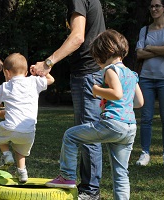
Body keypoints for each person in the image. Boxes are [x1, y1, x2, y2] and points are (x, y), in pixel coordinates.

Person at [45, 29, 144, 200]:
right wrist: (121, 104)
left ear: (103, 53)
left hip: (112, 124)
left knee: (70, 135)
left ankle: (67, 176)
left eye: (96, 58)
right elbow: (139, 102)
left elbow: (117, 93)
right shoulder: (131, 73)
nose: (97, 63)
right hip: (129, 128)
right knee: (121, 174)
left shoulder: (111, 70)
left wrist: (97, 90)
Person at [30, 0, 106, 198]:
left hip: (88, 72)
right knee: (86, 130)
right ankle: (88, 186)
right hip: (91, 72)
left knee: (89, 132)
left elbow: (78, 37)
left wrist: (48, 62)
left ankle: (91, 191)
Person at [0, 53, 55, 183]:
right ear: (26, 70)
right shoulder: (33, 81)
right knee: (20, 150)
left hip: (9, 127)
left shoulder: (5, 86)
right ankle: (22, 172)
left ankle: (6, 155)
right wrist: (40, 70)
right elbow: (51, 80)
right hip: (28, 131)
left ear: (7, 72)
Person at [135, 0, 164, 167]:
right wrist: (160, 48)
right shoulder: (144, 30)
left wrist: (149, 48)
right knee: (146, 118)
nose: (154, 9)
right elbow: (139, 54)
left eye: (157, 6)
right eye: (152, 6)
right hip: (146, 78)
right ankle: (145, 153)